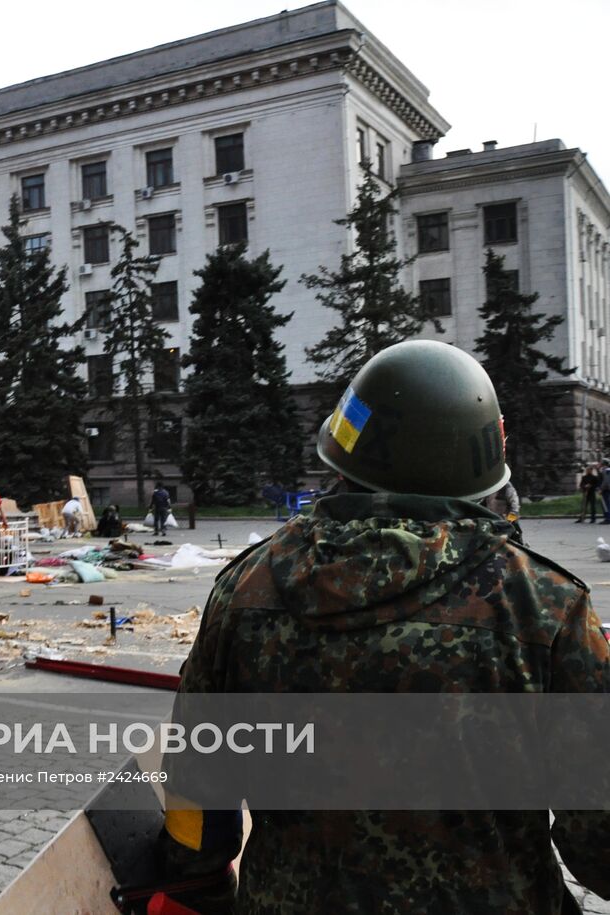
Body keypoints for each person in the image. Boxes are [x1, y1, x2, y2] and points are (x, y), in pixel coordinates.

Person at [145, 341, 610, 914]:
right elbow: (600, 839)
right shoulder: (544, 605)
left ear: (344, 455)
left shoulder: (244, 590)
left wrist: (204, 889)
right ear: (485, 463)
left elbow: (197, 790)